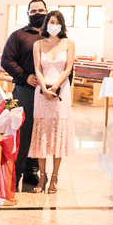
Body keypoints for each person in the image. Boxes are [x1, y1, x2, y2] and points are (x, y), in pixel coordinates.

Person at [27, 10, 76, 193]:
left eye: (56, 22)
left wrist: (54, 87)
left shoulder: (68, 43)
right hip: (41, 92)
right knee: (42, 134)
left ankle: (54, 176)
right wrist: (44, 89)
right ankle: (42, 176)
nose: (53, 25)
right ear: (45, 25)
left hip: (61, 91)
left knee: (58, 133)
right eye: (50, 22)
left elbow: (68, 68)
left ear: (62, 25)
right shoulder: (38, 44)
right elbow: (38, 69)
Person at [1, 0, 48, 188]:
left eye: (41, 10)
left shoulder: (52, 37)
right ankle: (15, 175)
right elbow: (7, 60)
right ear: (28, 14)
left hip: (46, 94)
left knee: (40, 133)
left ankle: (32, 172)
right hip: (25, 90)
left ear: (47, 11)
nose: (37, 13)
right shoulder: (18, 35)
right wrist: (25, 76)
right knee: (23, 132)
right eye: (33, 11)